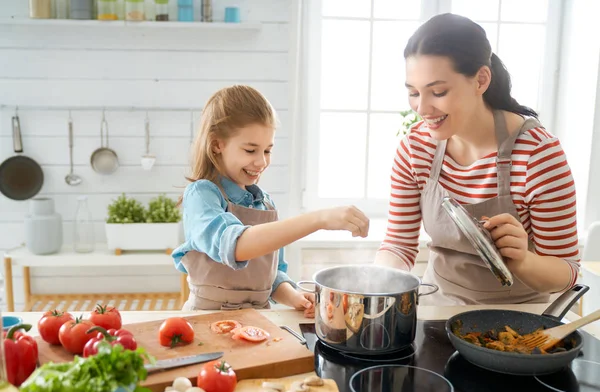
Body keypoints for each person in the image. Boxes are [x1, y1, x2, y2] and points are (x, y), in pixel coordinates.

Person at [374, 13, 580, 305]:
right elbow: (399, 245)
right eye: (413, 93)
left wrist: (521, 259)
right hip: (437, 309)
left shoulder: (537, 155)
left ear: (481, 79)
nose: (422, 108)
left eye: (438, 91)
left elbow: (568, 272)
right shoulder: (415, 148)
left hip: (520, 318)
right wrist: (372, 285)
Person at [172, 85, 370, 315]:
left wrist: (293, 296)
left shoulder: (265, 204)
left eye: (267, 151)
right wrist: (320, 219)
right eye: (250, 150)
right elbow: (236, 246)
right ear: (217, 144)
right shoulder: (202, 195)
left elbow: (271, 275)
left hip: (258, 321)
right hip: (205, 321)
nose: (261, 162)